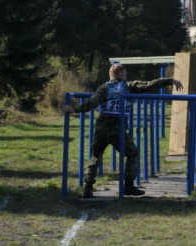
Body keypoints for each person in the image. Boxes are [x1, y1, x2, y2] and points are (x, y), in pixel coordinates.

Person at [63, 64, 184, 198]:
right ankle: (129, 185)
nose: (126, 77)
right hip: (117, 128)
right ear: (120, 74)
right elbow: (148, 84)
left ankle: (88, 187)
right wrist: (169, 81)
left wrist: (75, 109)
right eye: (125, 75)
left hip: (102, 127)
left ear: (111, 75)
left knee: (95, 156)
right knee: (132, 153)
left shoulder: (104, 88)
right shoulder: (128, 87)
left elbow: (92, 102)